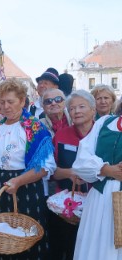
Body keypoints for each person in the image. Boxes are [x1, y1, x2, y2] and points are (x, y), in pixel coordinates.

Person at [0, 78, 56, 260]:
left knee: (24, 242)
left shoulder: (35, 128)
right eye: (2, 102)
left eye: (11, 102)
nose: (6, 106)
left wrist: (18, 181)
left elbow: (46, 168)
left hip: (24, 190)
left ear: (22, 101)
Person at [72, 86, 122, 260]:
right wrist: (105, 169)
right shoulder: (105, 123)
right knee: (98, 248)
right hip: (102, 198)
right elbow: (82, 159)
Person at [48, 90, 95, 259]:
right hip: (66, 209)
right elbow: (51, 171)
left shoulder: (103, 136)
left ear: (93, 110)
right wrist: (70, 173)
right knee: (66, 249)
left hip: (96, 206)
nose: (76, 111)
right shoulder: (61, 135)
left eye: (82, 106)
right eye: (72, 108)